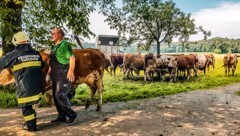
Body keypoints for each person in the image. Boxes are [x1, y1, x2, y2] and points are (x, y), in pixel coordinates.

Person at [0, 31, 44, 131]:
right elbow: (42, 66)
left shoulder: (13, 54)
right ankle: (31, 122)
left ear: (16, 42)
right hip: (38, 87)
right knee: (32, 105)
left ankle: (31, 127)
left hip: (24, 88)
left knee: (26, 108)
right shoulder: (36, 53)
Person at [47, 27, 77, 125]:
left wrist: (71, 71)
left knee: (60, 95)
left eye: (53, 33)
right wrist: (49, 72)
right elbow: (53, 61)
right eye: (52, 33)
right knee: (55, 97)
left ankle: (72, 115)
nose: (52, 35)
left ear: (60, 34)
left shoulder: (65, 45)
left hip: (63, 73)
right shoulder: (54, 46)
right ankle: (61, 116)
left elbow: (72, 58)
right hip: (55, 74)